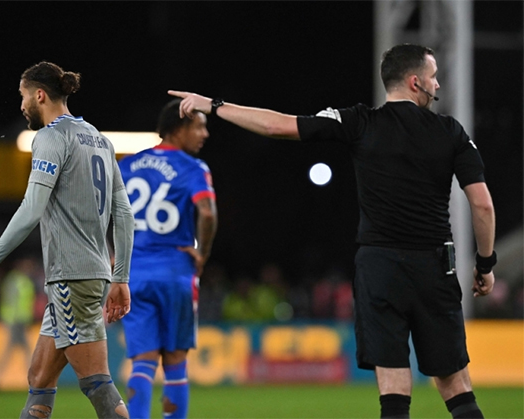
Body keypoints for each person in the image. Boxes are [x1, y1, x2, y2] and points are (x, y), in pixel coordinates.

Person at [169, 43, 497, 419]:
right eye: (433, 77)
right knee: (456, 387)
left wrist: (213, 105)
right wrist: (485, 264)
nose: (437, 85)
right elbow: (482, 205)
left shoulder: (359, 121)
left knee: (393, 391)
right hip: (434, 267)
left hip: (380, 268)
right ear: (415, 82)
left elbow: (277, 125)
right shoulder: (450, 132)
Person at [0, 61, 135, 419]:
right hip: (91, 275)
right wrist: (120, 277)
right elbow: (123, 214)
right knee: (39, 379)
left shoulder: (50, 137)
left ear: (40, 95)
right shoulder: (99, 139)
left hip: (70, 278)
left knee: (98, 384)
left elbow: (31, 209)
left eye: (23, 96)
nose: (22, 105)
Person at [118, 99, 218, 419]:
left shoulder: (127, 165)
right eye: (199, 127)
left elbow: (103, 217)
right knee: (175, 360)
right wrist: (202, 252)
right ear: (178, 128)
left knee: (142, 361)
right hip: (175, 270)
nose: (205, 134)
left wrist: (113, 257)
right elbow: (207, 213)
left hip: (133, 274)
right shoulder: (193, 168)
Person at [0, 257, 37, 391]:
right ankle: (33, 381)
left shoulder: (23, 281)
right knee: (22, 351)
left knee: (15, 351)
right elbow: (11, 301)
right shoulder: (15, 281)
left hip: (20, 321)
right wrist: (13, 321)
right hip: (15, 321)